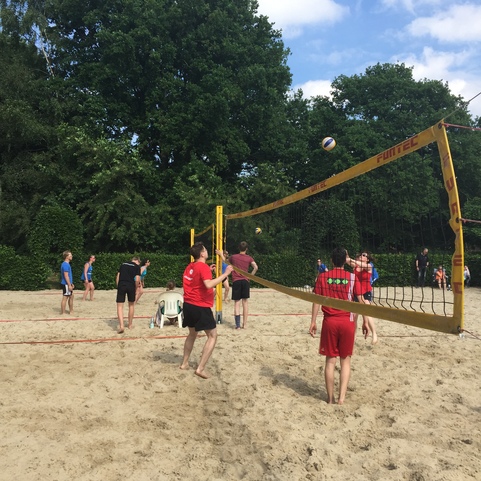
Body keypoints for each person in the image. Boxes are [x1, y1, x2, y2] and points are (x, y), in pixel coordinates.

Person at [309, 247, 368, 405]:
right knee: (345, 361)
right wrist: (365, 321)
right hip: (347, 322)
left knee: (330, 361)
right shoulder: (352, 277)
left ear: (332, 260)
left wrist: (313, 321)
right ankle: (341, 399)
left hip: (330, 322)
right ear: (345, 261)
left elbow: (316, 300)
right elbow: (361, 301)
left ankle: (330, 399)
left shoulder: (322, 277)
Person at [179, 242, 233, 379]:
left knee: (192, 334)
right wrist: (225, 274)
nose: (208, 251)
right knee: (213, 335)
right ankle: (200, 369)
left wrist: (208, 271)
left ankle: (184, 364)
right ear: (202, 254)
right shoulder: (202, 267)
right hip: (200, 306)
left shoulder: (190, 266)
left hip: (188, 304)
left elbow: (196, 282)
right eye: (206, 250)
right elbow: (208, 284)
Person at [347, 251, 378, 345]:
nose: (362, 256)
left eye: (364, 255)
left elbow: (354, 262)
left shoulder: (369, 266)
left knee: (367, 314)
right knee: (354, 316)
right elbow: (348, 261)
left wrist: (351, 260)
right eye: (361, 255)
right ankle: (354, 337)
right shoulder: (356, 266)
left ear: (367, 259)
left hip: (366, 292)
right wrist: (346, 254)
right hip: (356, 292)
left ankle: (374, 334)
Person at [227, 241, 258, 329]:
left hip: (236, 281)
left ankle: (238, 325)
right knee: (245, 302)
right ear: (246, 249)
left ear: (238, 248)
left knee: (237, 303)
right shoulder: (249, 258)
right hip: (245, 281)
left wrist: (221, 254)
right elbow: (256, 267)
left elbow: (225, 262)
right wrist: (250, 276)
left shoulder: (233, 257)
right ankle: (245, 324)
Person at [116, 256, 141, 334]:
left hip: (122, 285)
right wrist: (136, 288)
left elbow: (118, 276)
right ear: (136, 260)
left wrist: (118, 286)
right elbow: (137, 279)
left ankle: (121, 326)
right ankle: (130, 325)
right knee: (131, 305)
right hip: (131, 285)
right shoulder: (137, 267)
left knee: (120, 306)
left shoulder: (123, 264)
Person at [60, 250, 75, 315]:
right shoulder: (65, 265)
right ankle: (64, 312)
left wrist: (71, 283)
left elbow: (68, 276)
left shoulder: (66, 264)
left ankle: (71, 311)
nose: (71, 256)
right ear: (66, 257)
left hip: (67, 283)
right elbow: (66, 276)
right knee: (65, 297)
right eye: (70, 255)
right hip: (66, 284)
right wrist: (69, 285)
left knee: (71, 296)